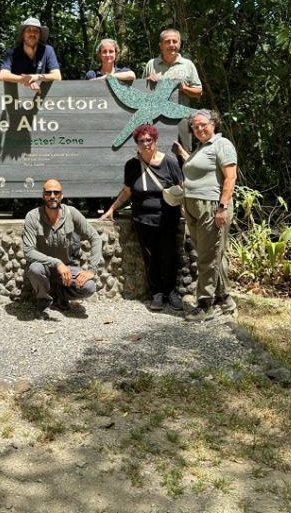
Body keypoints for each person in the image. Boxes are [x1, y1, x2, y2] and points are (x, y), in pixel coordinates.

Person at [100, 124, 184, 311]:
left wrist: (187, 211)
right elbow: (127, 191)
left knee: (169, 255)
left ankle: (171, 292)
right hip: (144, 219)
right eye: (141, 141)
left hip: (168, 218)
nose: (146, 144)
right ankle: (157, 294)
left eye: (149, 140)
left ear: (155, 141)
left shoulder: (169, 162)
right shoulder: (131, 165)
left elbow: (182, 187)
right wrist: (112, 209)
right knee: (151, 258)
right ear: (136, 144)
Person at [173, 110, 238, 321]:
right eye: (195, 126)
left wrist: (222, 207)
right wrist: (183, 153)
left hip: (211, 206)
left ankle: (205, 304)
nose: (199, 129)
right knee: (210, 254)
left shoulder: (222, 144)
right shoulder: (201, 148)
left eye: (203, 125)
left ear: (214, 124)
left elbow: (230, 177)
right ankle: (225, 298)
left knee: (207, 257)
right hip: (193, 207)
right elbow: (197, 170)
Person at [22, 179, 103, 319]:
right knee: (34, 269)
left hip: (67, 269)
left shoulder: (72, 213)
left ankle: (59, 295)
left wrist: (92, 270)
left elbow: (95, 238)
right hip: (43, 267)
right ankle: (43, 301)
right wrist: (56, 263)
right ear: (43, 196)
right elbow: (28, 251)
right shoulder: (32, 216)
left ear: (62, 196)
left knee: (89, 287)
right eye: (48, 192)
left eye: (56, 192)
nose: (52, 195)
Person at [0, 17, 61, 92]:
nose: (32, 33)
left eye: (36, 31)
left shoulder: (47, 50)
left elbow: (57, 76)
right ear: (23, 34)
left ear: (40, 35)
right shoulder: (12, 52)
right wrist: (25, 79)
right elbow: (2, 75)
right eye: (28, 30)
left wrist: (37, 77)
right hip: (16, 97)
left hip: (43, 98)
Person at [143, 29, 203, 99]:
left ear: (179, 44)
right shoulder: (151, 64)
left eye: (174, 41)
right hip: (154, 109)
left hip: (179, 109)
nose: (171, 45)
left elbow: (199, 92)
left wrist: (184, 88)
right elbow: (140, 91)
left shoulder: (188, 65)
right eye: (167, 42)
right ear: (161, 45)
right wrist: (146, 81)